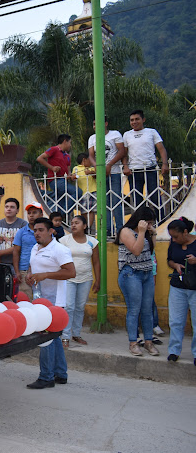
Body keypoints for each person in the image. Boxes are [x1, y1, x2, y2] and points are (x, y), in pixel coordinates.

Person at [26, 217, 75, 389]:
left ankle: (46, 377)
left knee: (45, 338)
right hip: (41, 299)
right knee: (54, 337)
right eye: (35, 230)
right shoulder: (35, 247)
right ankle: (60, 374)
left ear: (50, 231)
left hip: (55, 301)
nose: (37, 233)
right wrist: (29, 274)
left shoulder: (60, 250)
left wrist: (45, 275)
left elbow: (71, 272)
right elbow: (33, 266)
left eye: (40, 230)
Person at [116, 205, 159, 356]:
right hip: (131, 274)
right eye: (148, 222)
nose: (150, 225)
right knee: (134, 309)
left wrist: (152, 235)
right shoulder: (125, 231)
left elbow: (149, 252)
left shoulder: (146, 232)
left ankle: (148, 341)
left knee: (147, 310)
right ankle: (133, 343)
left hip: (146, 273)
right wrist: (141, 232)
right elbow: (136, 250)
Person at [59, 215, 100, 349]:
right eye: (72, 223)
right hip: (69, 278)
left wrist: (97, 280)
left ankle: (76, 334)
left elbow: (96, 262)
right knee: (69, 306)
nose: (73, 225)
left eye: (77, 223)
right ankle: (65, 336)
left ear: (84, 226)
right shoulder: (64, 241)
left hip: (86, 279)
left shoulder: (92, 242)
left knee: (80, 307)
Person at [122, 109, 168, 213]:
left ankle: (161, 221)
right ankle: (141, 223)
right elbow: (124, 153)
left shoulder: (151, 132)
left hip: (150, 168)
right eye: (132, 120)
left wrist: (165, 164)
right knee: (137, 200)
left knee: (155, 197)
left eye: (137, 119)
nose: (134, 122)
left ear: (143, 120)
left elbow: (161, 149)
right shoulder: (126, 135)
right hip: (133, 171)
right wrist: (125, 166)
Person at [165, 217, 196, 365]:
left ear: (185, 232)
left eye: (176, 236)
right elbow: (169, 260)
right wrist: (175, 265)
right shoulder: (174, 243)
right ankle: (174, 351)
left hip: (194, 288)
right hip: (177, 286)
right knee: (176, 321)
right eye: (172, 237)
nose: (174, 240)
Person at [88, 118, 125, 235]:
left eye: (97, 123)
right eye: (93, 124)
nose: (95, 126)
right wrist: (97, 167)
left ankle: (120, 229)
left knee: (116, 201)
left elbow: (121, 151)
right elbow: (90, 156)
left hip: (114, 173)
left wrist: (109, 165)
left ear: (105, 123)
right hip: (100, 175)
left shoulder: (115, 134)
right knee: (104, 202)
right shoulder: (92, 138)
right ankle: (108, 230)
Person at [37, 134, 77, 218]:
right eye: (70, 142)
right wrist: (52, 167)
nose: (70, 145)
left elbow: (68, 172)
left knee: (60, 202)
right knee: (77, 192)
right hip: (55, 180)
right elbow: (39, 158)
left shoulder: (67, 156)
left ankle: (60, 217)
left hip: (63, 181)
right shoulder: (53, 149)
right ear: (65, 141)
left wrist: (71, 176)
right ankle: (63, 215)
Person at [13, 202, 44, 299]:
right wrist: (17, 272)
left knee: (41, 300)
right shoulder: (21, 232)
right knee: (25, 300)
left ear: (41, 214)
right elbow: (16, 252)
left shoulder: (47, 232)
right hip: (24, 271)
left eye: (34, 212)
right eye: (29, 213)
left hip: (42, 271)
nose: (31, 215)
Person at [0, 198, 27, 266]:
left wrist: (0, 252)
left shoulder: (23, 224)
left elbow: (20, 246)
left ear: (17, 210)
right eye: (6, 207)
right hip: (2, 263)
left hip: (19, 264)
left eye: (12, 207)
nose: (9, 209)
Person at [73, 152, 96, 231]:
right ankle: (84, 226)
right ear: (84, 160)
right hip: (83, 193)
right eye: (90, 160)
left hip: (92, 191)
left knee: (91, 210)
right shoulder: (76, 168)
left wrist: (91, 172)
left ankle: (88, 228)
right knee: (83, 211)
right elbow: (73, 177)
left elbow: (96, 175)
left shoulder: (91, 168)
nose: (91, 161)